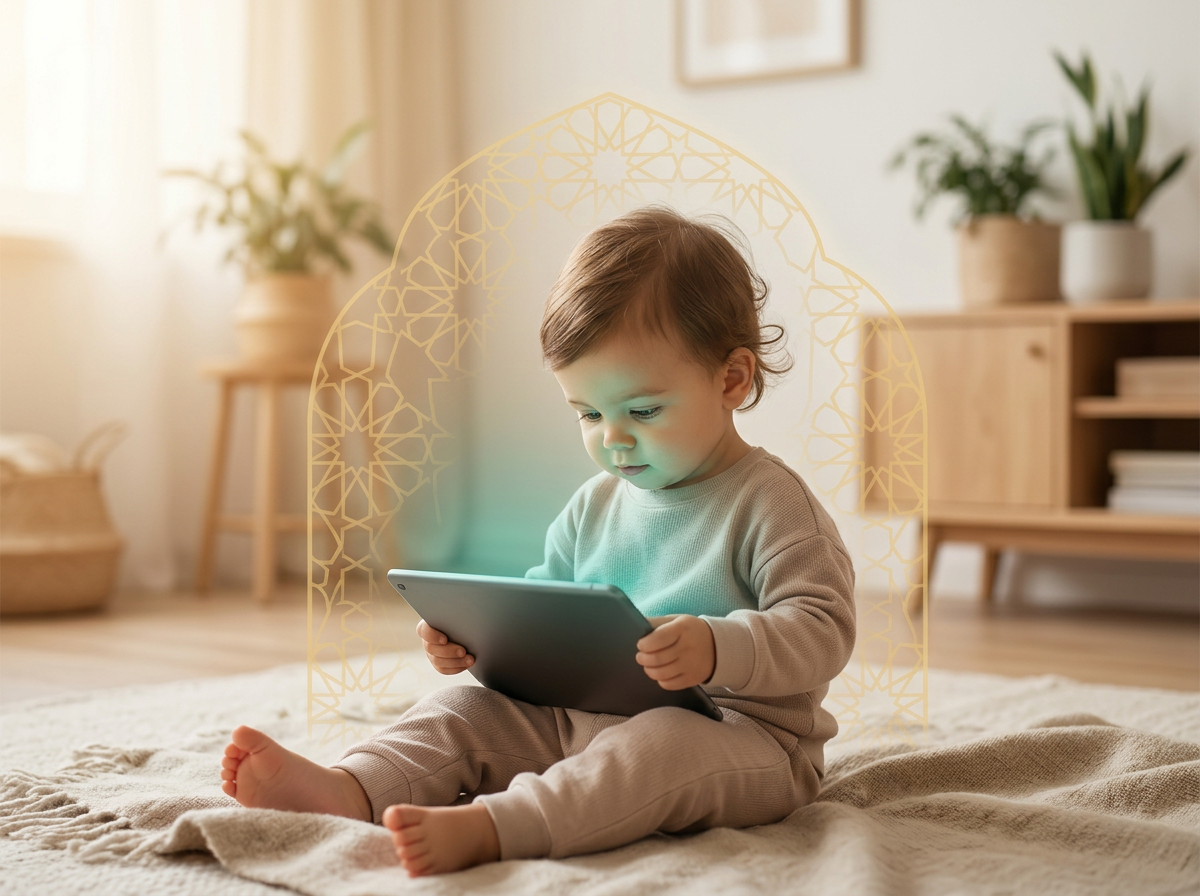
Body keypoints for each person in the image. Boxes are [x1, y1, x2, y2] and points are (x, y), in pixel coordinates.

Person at [219, 205, 857, 878]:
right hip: (584, 717)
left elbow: (825, 631)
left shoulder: (772, 503)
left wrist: (716, 646)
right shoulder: (594, 505)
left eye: (642, 410)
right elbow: (546, 614)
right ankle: (352, 787)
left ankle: (500, 827)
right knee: (465, 709)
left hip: (742, 740)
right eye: (589, 413)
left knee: (661, 745)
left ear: (732, 379)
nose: (613, 438)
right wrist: (478, 639)